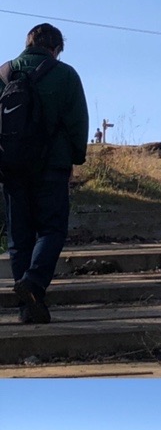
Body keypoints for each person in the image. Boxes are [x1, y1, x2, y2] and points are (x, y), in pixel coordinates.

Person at [0, 24, 89, 323]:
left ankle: (29, 309)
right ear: (56, 49)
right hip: (52, 166)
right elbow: (78, 122)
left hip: (11, 168)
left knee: (19, 238)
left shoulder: (3, 74)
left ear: (27, 44)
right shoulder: (66, 75)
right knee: (52, 230)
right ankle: (35, 282)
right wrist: (76, 157)